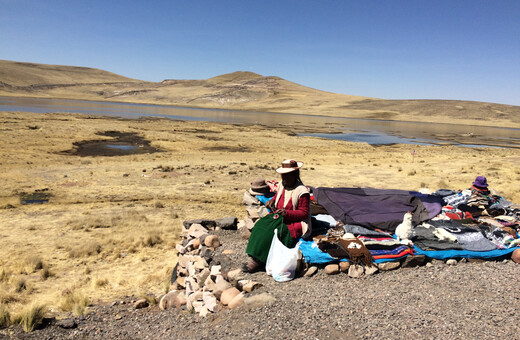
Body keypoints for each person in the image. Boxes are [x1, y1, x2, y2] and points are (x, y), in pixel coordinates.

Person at [243, 159, 312, 273]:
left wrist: (287, 213)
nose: (284, 179)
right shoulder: (282, 185)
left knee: (272, 232)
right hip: (280, 216)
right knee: (260, 224)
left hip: (295, 221)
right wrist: (272, 201)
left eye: (287, 176)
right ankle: (255, 255)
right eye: (282, 176)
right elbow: (277, 197)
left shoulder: (302, 191)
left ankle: (259, 261)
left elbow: (304, 213)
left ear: (295, 174)